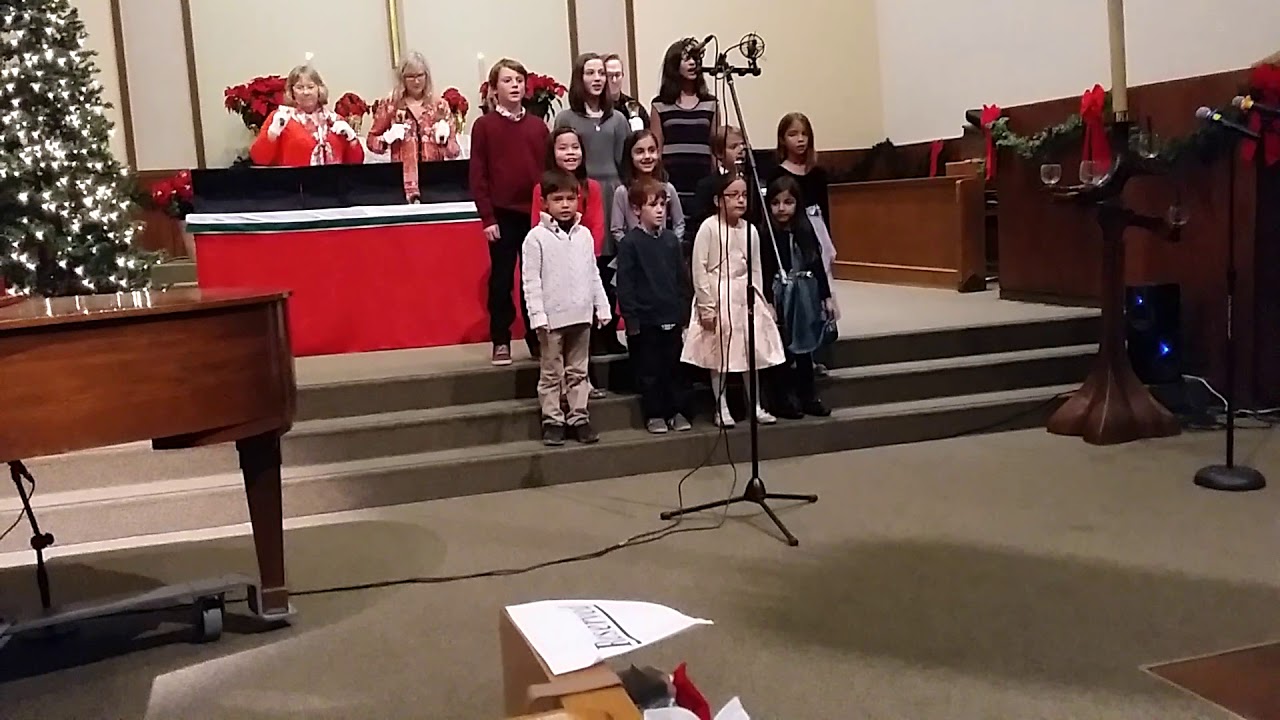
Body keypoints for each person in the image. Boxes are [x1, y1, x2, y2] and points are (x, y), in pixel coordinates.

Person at [681, 174, 785, 428]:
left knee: (751, 352)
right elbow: (699, 268)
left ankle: (755, 405)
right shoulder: (708, 228)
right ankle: (721, 406)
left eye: (744, 195)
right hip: (718, 294)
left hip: (743, 296)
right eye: (733, 195)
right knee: (719, 354)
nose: (740, 200)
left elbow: (756, 269)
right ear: (719, 200)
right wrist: (706, 306)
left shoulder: (750, 230)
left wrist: (759, 299)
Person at [470, 58, 550, 366]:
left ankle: (536, 337)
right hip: (502, 214)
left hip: (534, 213)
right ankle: (501, 339)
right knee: (502, 278)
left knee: (534, 279)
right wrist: (488, 217)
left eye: (518, 80)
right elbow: (478, 175)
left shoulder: (537, 127)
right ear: (494, 89)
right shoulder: (485, 127)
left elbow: (547, 171)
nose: (515, 85)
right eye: (507, 80)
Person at [523, 169, 611, 446]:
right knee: (551, 373)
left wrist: (602, 306)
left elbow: (593, 273)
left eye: (570, 199)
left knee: (578, 371)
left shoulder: (584, 235)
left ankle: (578, 416)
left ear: (579, 200)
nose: (565, 205)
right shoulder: (535, 238)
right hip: (551, 320)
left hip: (581, 316)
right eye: (558, 199)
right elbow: (531, 281)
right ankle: (552, 419)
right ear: (544, 203)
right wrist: (537, 316)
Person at [554, 52, 630, 356]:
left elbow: (626, 161)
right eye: (590, 73)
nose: (597, 79)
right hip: (581, 193)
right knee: (586, 262)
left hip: (613, 192)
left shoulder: (618, 119)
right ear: (579, 77)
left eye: (601, 73)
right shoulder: (566, 118)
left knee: (610, 266)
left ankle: (609, 331)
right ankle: (585, 336)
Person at [530, 127, 609, 399]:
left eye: (575, 147)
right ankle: (557, 387)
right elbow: (536, 226)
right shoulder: (541, 188)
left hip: (584, 266)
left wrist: (585, 256)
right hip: (553, 271)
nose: (570, 153)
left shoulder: (592, 187)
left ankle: (583, 384)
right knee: (556, 339)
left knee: (582, 335)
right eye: (563, 148)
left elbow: (597, 226)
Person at [616, 177, 692, 434]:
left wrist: (683, 314)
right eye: (652, 205)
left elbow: (681, 280)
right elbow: (626, 284)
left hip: (671, 316)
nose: (660, 210)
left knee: (675, 368)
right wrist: (632, 320)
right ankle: (655, 413)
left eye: (663, 205)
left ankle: (677, 411)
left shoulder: (671, 241)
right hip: (646, 321)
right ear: (636, 209)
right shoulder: (630, 244)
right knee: (650, 370)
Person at [771, 111, 837, 376]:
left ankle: (817, 351)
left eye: (804, 134)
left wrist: (828, 242)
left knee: (819, 292)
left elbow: (824, 209)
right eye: (793, 134)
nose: (800, 139)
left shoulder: (817, 173)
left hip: (815, 231)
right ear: (782, 139)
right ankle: (792, 351)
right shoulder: (778, 173)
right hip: (792, 231)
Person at [762, 176, 833, 418]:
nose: (781, 208)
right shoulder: (767, 234)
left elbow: (816, 264)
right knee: (782, 347)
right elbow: (764, 270)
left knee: (805, 349)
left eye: (788, 202)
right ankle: (782, 399)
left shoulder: (804, 230)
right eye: (775, 203)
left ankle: (808, 396)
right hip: (780, 295)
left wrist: (826, 296)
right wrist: (767, 301)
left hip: (804, 295)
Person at [366, 51, 461, 202]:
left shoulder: (439, 106)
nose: (416, 81)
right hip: (401, 183)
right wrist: (387, 138)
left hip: (435, 182)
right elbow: (371, 141)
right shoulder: (391, 105)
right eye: (410, 76)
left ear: (426, 76)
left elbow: (454, 152)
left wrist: (444, 140)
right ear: (402, 78)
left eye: (420, 75)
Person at [250, 63, 363, 167]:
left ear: (319, 89)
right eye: (299, 87)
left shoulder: (335, 120)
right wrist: (272, 134)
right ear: (292, 92)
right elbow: (259, 159)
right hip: (293, 182)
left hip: (333, 182)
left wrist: (352, 140)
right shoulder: (279, 118)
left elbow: (356, 164)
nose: (306, 92)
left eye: (310, 87)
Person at [650, 39, 719, 207]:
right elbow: (656, 148)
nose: (692, 63)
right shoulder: (660, 104)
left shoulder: (710, 103)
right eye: (686, 59)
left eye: (695, 59)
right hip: (672, 181)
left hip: (702, 180)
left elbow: (715, 148)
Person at [684, 126, 761, 252]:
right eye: (734, 147)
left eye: (742, 145)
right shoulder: (707, 185)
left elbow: (756, 216)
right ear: (719, 153)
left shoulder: (752, 181)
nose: (740, 150)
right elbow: (698, 221)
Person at [611, 129, 685, 246]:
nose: (647, 156)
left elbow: (679, 224)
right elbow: (617, 230)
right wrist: (632, 250)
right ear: (630, 155)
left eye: (651, 150)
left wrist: (671, 246)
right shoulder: (622, 192)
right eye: (640, 152)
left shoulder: (667, 188)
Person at [603, 53, 648, 131]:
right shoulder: (595, 108)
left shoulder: (633, 106)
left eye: (617, 75)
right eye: (609, 75)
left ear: (622, 75)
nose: (614, 80)